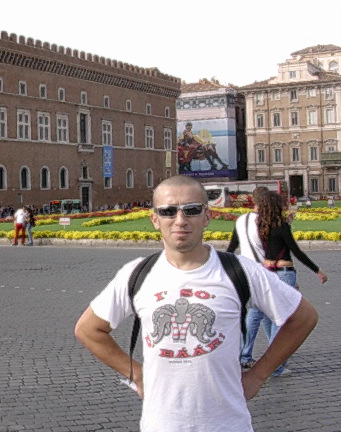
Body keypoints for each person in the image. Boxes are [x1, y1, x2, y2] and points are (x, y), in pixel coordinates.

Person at [75, 176, 319, 432]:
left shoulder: (241, 271)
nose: (180, 220)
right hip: (161, 423)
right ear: (155, 219)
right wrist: (135, 374)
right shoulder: (136, 273)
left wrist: (258, 375)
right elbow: (88, 329)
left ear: (207, 216)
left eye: (191, 210)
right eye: (168, 211)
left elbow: (303, 317)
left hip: (227, 424)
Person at [256, 190, 328, 377]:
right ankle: (276, 363)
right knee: (284, 319)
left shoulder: (259, 226)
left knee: (269, 317)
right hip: (284, 272)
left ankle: (276, 358)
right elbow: (296, 251)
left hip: (265, 271)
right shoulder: (282, 226)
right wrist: (317, 270)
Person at [226, 186, 271, 369]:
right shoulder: (264, 221)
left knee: (266, 313)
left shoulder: (241, 220)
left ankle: (274, 350)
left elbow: (232, 245)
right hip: (261, 271)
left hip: (244, 269)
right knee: (257, 312)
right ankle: (245, 354)